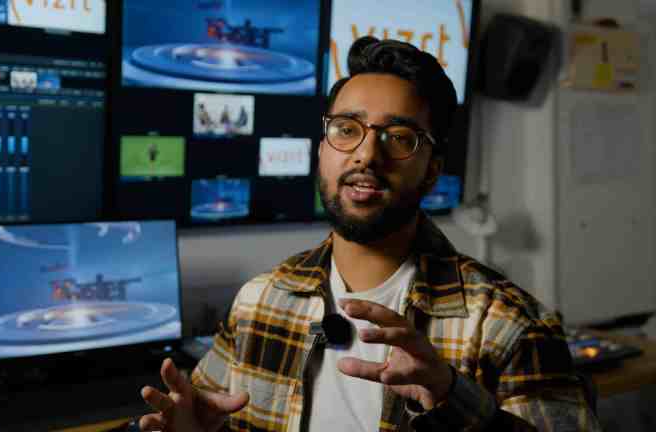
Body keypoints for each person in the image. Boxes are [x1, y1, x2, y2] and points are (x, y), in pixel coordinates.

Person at [136, 36, 601, 431]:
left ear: (432, 170)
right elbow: (199, 414)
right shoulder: (260, 302)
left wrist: (450, 396)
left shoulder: (508, 325)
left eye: (398, 137)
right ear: (322, 150)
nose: (366, 155)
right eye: (346, 129)